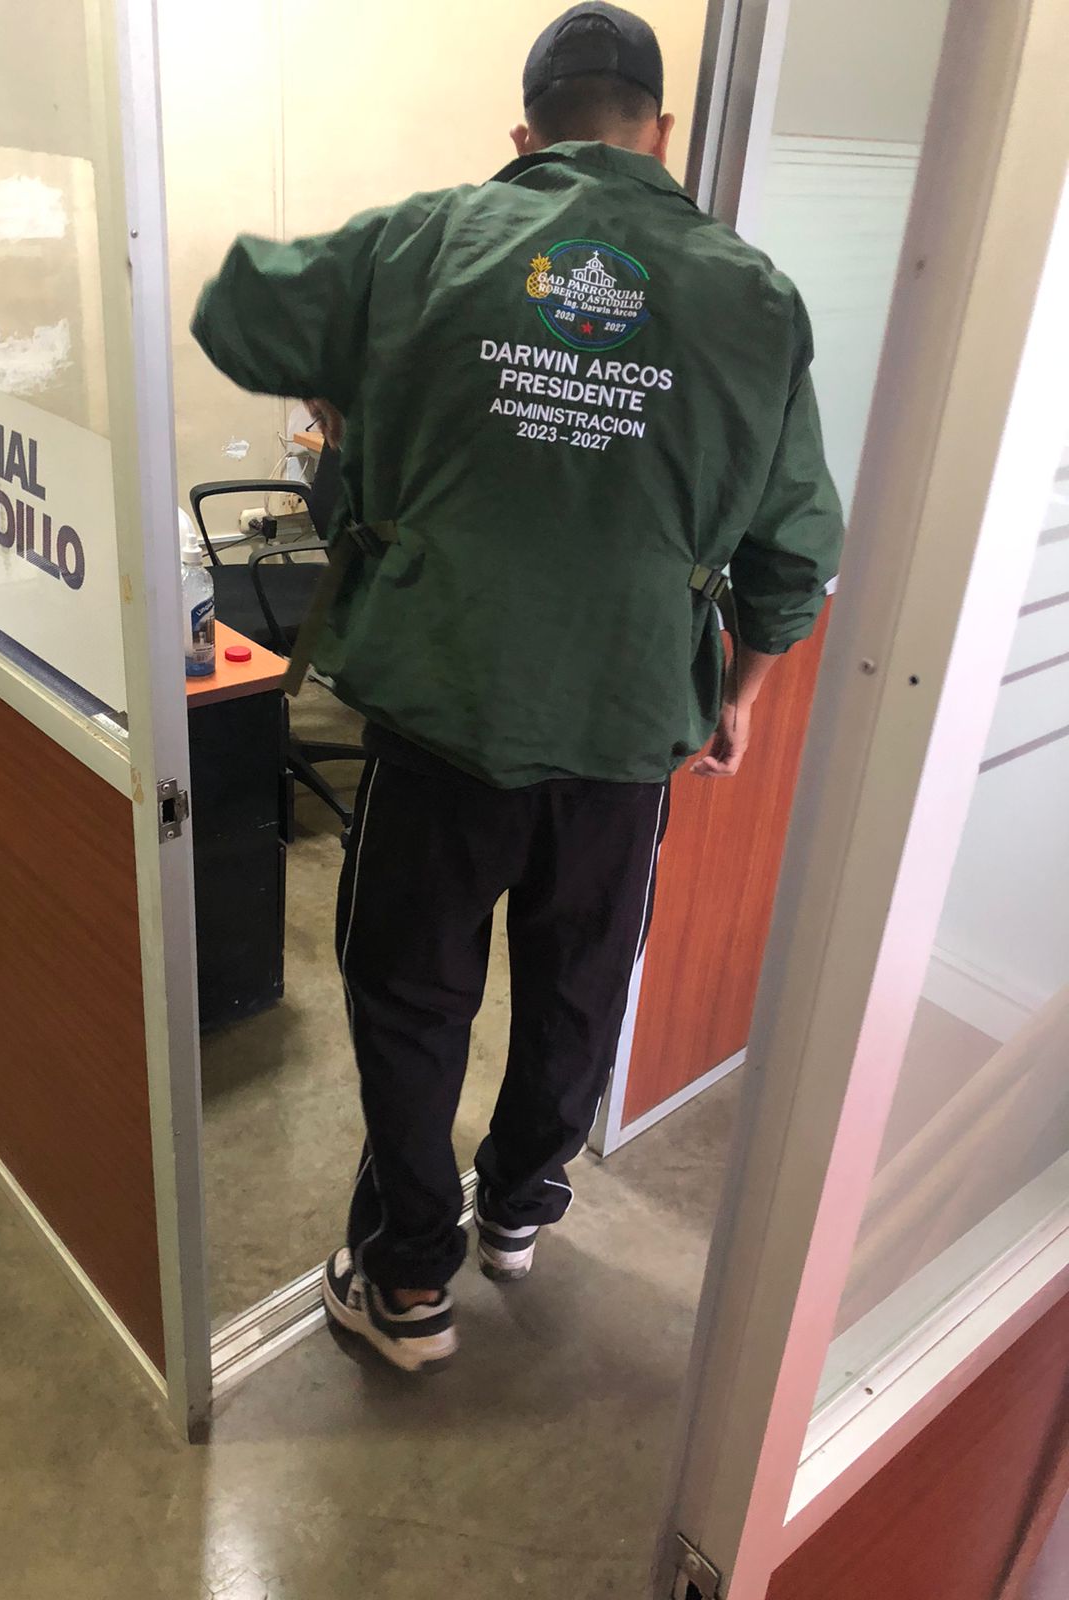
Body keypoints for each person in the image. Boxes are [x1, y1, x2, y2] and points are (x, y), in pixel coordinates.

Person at [192, 1, 844, 1374]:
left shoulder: (422, 242)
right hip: (624, 729)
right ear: (660, 133)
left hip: (444, 713)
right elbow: (794, 551)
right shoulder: (754, 296)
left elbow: (239, 304)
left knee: (410, 994)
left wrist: (354, 400)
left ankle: (407, 1282)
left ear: (525, 136)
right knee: (578, 986)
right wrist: (740, 693)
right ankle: (522, 1208)